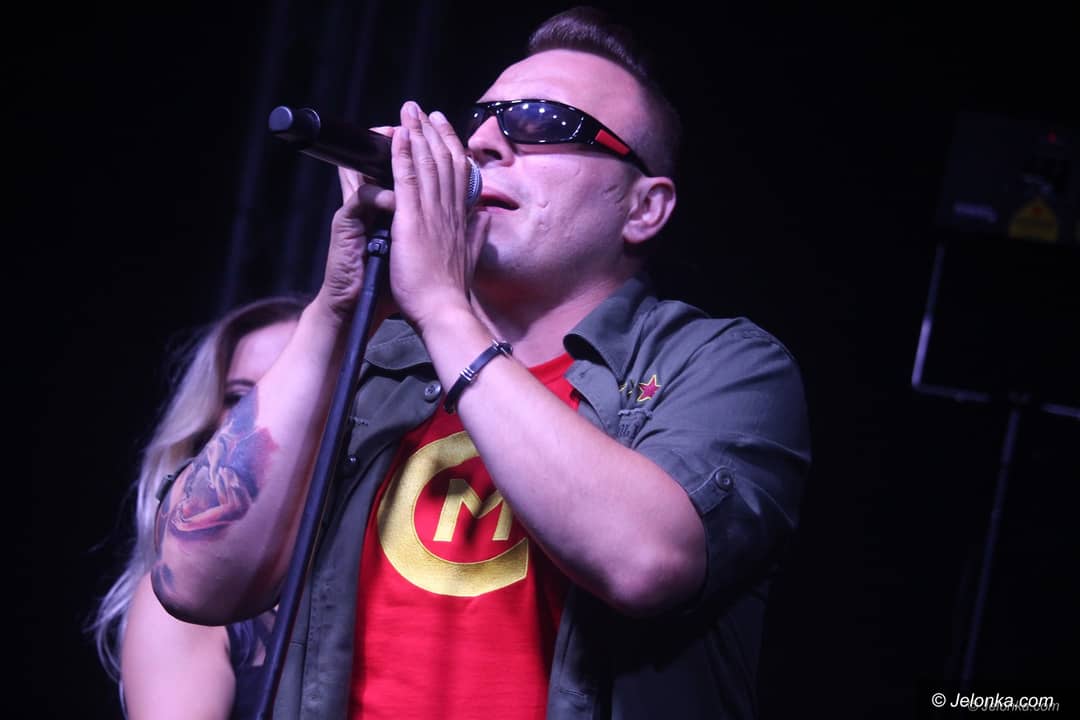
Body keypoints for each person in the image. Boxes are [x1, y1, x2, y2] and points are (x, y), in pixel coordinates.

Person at [153, 6, 811, 719]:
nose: (485, 142)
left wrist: (442, 306)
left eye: (542, 122)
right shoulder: (375, 367)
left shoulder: (722, 364)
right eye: (484, 120)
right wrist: (335, 312)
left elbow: (644, 562)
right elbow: (195, 582)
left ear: (643, 208)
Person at [88, 294, 308, 719]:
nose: (266, 418)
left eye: (294, 391)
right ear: (210, 428)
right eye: (241, 398)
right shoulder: (185, 603)